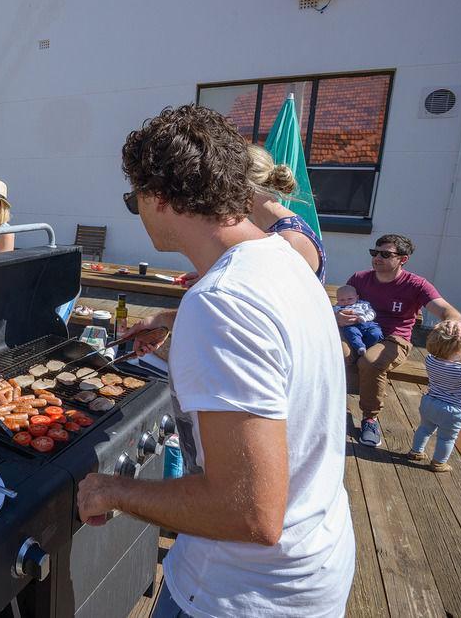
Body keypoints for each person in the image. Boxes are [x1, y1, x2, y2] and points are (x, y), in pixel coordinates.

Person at [79, 105, 353, 616]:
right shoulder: (287, 258)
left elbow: (249, 512)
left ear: (157, 197)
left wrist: (114, 490)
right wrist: (175, 324)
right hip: (315, 561)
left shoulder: (221, 304)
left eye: (131, 196)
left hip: (238, 593)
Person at [342, 234, 461, 448]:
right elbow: (341, 306)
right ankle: (330, 406)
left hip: (393, 338)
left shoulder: (416, 285)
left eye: (385, 254)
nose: (377, 258)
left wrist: (453, 321)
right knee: (332, 353)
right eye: (375, 252)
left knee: (370, 362)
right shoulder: (359, 278)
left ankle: (370, 418)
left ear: (403, 259)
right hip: (358, 333)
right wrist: (337, 317)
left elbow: (445, 309)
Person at [177, 143, 326, 288]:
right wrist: (210, 276)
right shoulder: (271, 230)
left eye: (224, 184)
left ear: (244, 186)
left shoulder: (288, 240)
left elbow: (274, 299)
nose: (219, 193)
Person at [407, 322, 461, 472]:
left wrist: (460, 357)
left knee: (424, 429)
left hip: (429, 402)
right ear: (458, 351)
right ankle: (438, 463)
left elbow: (447, 362)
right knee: (446, 438)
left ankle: (416, 452)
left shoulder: (430, 359)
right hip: (452, 411)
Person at [333, 284, 383, 355]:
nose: (346, 302)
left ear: (357, 297)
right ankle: (360, 347)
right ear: (337, 300)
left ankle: (368, 347)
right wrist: (337, 316)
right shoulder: (337, 307)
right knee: (352, 333)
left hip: (368, 324)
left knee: (376, 334)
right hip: (350, 325)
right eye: (342, 300)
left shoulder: (363, 304)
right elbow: (332, 315)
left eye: (350, 299)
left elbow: (372, 313)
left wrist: (365, 318)